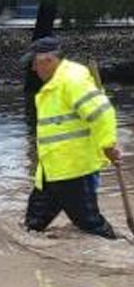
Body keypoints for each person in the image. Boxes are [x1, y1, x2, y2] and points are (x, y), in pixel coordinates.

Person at [23, 36, 123, 239]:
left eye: (34, 63)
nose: (33, 68)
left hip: (73, 171)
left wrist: (107, 145)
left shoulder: (73, 80)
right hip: (51, 170)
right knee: (32, 227)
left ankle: (120, 257)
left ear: (48, 60)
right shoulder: (55, 84)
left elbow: (103, 114)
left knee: (91, 226)